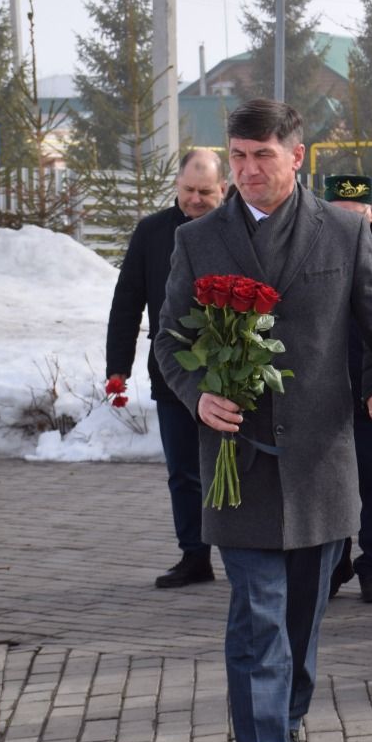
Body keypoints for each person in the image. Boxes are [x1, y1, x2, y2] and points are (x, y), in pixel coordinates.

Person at [155, 100, 372, 742]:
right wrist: (198, 396)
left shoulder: (342, 231)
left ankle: (290, 719)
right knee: (257, 612)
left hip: (319, 459)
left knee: (304, 613)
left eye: (262, 157)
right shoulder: (200, 239)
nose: (248, 171)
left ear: (296, 157)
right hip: (236, 459)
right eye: (238, 156)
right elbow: (169, 341)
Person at [105, 147, 227, 589]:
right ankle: (194, 556)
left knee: (238, 470)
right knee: (184, 472)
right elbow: (127, 300)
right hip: (173, 372)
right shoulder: (152, 232)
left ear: (224, 189)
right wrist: (117, 366)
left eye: (206, 192)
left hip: (235, 373)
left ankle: (246, 554)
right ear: (177, 185)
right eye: (188, 190)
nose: (195, 199)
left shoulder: (241, 227)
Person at [319, 175, 372, 604]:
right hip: (324, 387)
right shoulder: (311, 249)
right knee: (329, 482)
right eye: (340, 214)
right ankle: (333, 564)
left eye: (359, 214)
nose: (350, 223)